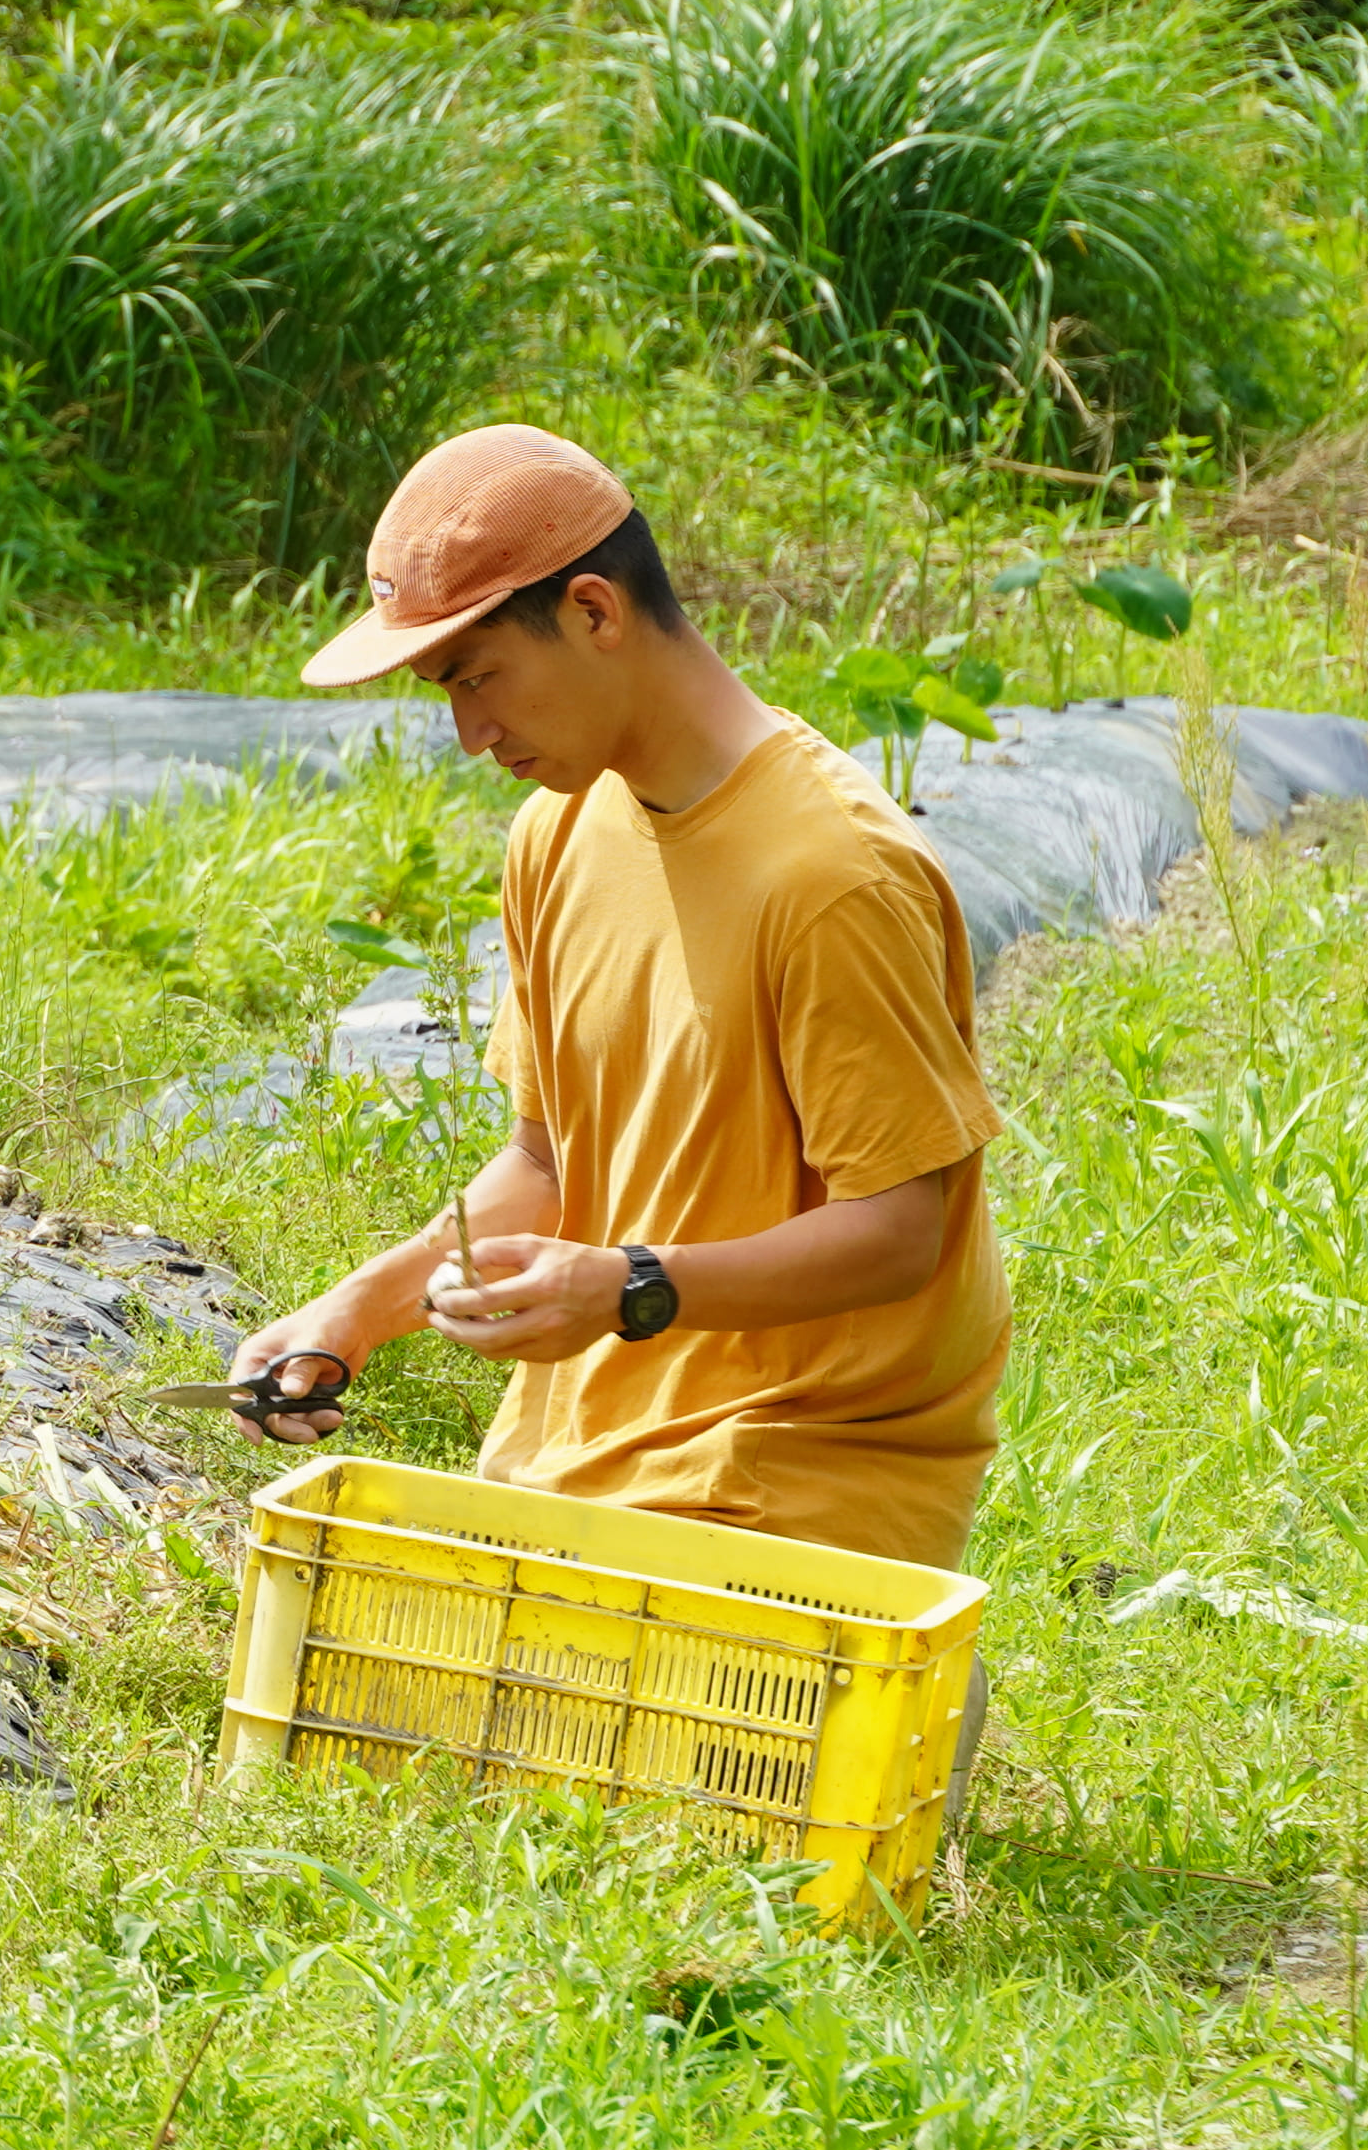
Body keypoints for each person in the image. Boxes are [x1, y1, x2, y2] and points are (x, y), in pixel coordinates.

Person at [216, 424, 1007, 1571]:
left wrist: (633, 1287)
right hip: (574, 1465)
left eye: (480, 676)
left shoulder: (831, 875)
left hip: (785, 1495)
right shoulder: (559, 831)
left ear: (593, 610)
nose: (471, 732)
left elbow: (899, 1232)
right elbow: (548, 1165)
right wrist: (355, 1312)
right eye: (449, 691)